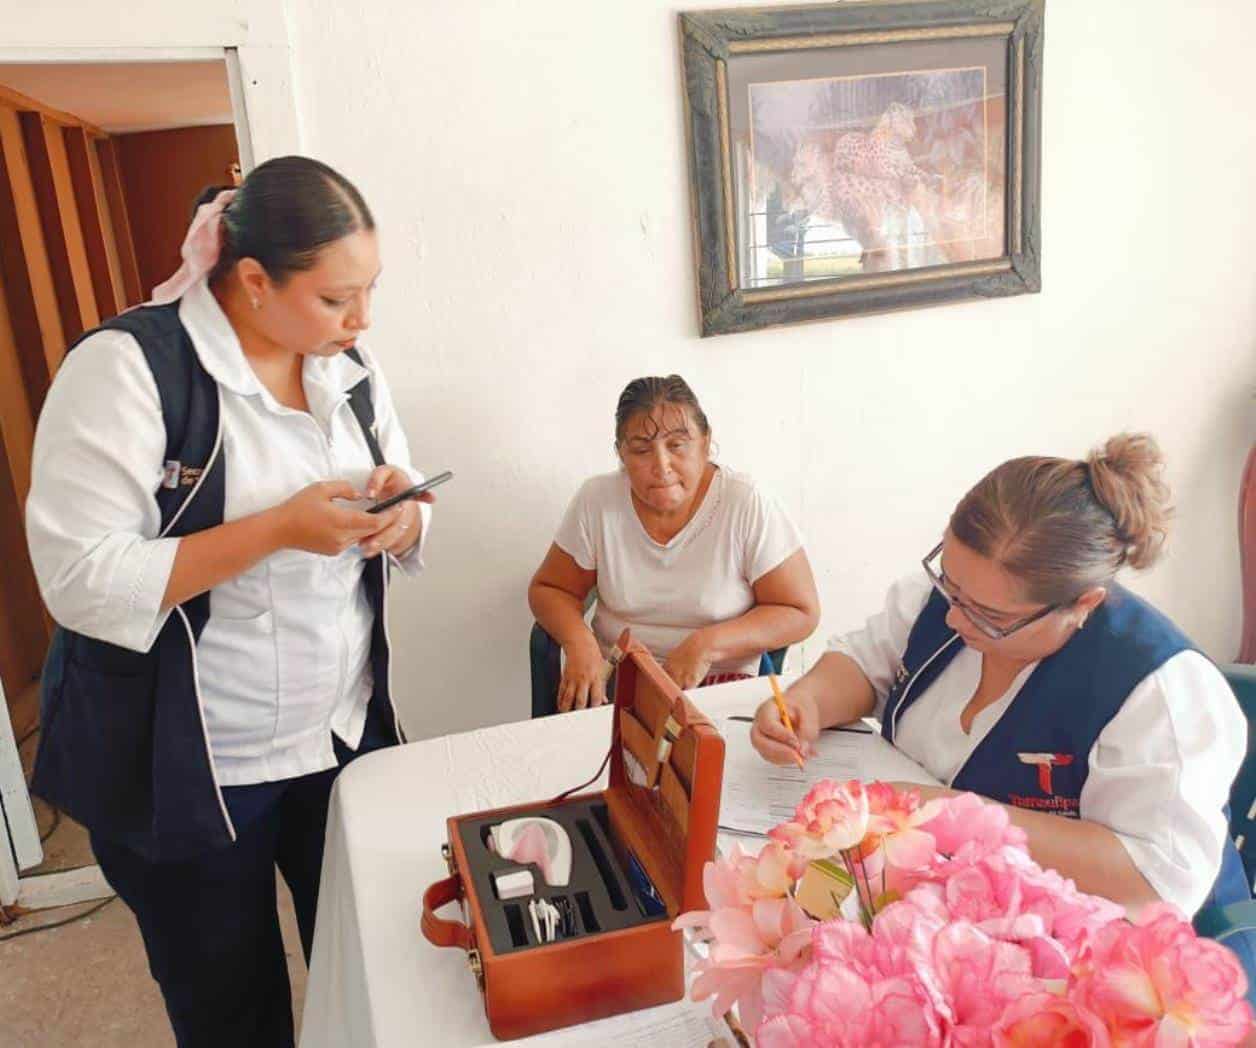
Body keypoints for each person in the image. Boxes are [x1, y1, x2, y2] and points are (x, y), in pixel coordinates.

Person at [25, 156, 433, 1047]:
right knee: (231, 1009)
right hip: (197, 762)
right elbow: (82, 579)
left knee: (375, 979)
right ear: (253, 280)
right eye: (336, 299)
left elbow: (400, 485)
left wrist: (403, 521)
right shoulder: (127, 370)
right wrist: (279, 528)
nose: (363, 321)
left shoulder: (348, 367)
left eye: (369, 292)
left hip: (339, 738)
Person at [751, 434, 1246, 919]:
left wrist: (956, 815)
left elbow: (1150, 879)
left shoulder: (1159, 693)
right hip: (953, 910)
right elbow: (865, 664)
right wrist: (808, 701)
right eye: (948, 582)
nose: (953, 620)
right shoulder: (955, 601)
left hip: (1117, 956)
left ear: (1082, 604)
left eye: (988, 614)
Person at [529, 375, 820, 712]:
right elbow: (550, 588)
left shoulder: (745, 502)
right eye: (640, 450)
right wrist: (580, 643)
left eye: (677, 445)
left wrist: (706, 645)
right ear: (620, 454)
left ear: (705, 442)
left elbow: (800, 611)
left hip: (719, 679)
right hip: (619, 679)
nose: (661, 466)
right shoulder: (598, 501)